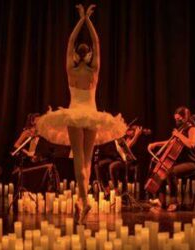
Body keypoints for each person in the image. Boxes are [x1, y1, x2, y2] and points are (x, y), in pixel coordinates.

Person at [36, 4, 127, 224]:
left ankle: (83, 199)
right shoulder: (93, 69)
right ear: (90, 55)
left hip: (75, 114)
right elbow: (97, 42)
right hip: (92, 116)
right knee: (86, 160)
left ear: (76, 54)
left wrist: (80, 19)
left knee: (79, 158)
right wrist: (88, 20)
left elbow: (69, 42)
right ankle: (82, 200)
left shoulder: (71, 70)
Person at [147, 106, 195, 212]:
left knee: (171, 172)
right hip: (185, 161)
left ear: (185, 118)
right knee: (163, 170)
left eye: (179, 119)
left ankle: (174, 202)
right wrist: (156, 144)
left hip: (194, 162)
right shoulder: (182, 131)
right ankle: (161, 201)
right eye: (176, 119)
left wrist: (178, 134)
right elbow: (171, 142)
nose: (177, 121)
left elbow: (191, 144)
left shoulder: (192, 129)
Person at [97, 125, 143, 192]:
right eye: (130, 129)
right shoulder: (123, 138)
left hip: (129, 162)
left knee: (112, 166)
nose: (129, 130)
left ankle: (116, 190)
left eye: (132, 130)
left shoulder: (135, 139)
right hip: (118, 158)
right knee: (101, 164)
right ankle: (106, 189)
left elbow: (128, 146)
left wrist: (137, 135)